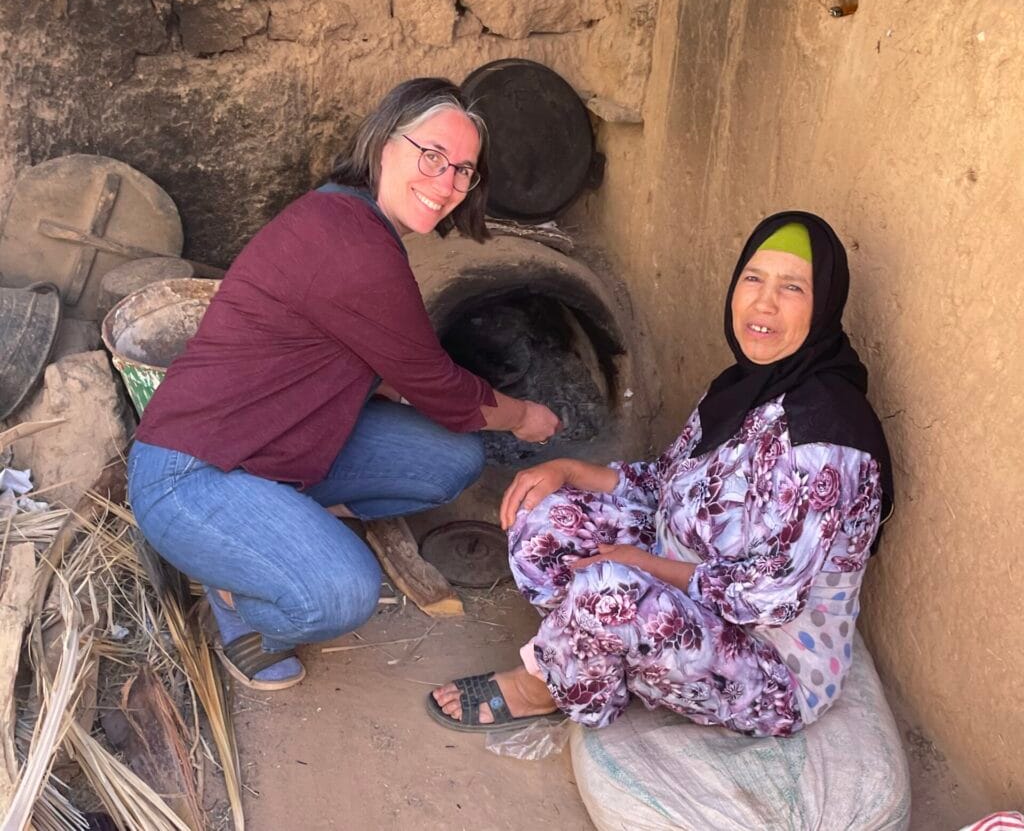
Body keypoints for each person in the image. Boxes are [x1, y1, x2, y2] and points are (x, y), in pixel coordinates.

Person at [127, 78, 561, 691]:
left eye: (463, 171)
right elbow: (442, 389)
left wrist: (392, 387)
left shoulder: (349, 216)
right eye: (431, 156)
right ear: (384, 144)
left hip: (272, 448)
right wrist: (523, 417)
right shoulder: (353, 245)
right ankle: (239, 601)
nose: (445, 184)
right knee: (343, 592)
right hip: (190, 474)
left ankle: (276, 526)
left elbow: (366, 355)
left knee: (450, 458)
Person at [429, 211, 893, 737]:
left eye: (792, 288)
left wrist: (641, 566)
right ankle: (589, 650)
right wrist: (568, 470)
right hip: (685, 570)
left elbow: (767, 599)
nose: (764, 303)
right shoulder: (744, 387)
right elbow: (672, 486)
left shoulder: (824, 438)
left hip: (770, 664)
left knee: (611, 590)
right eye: (754, 279)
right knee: (542, 517)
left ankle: (545, 686)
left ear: (824, 305)